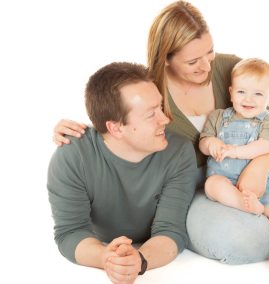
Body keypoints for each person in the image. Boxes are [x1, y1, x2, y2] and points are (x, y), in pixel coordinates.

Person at [53, 1, 269, 266]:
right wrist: (77, 130)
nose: (206, 65)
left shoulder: (230, 69)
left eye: (209, 52)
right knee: (245, 240)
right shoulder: (152, 86)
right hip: (193, 187)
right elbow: (123, 122)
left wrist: (261, 166)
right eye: (193, 61)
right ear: (166, 58)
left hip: (252, 169)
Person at [47, 62, 197, 284]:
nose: (165, 119)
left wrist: (141, 261)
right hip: (100, 241)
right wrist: (104, 257)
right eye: (150, 115)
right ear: (116, 128)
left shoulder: (179, 152)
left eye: (160, 107)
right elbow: (70, 232)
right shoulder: (72, 156)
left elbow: (171, 230)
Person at [199, 58, 269, 276]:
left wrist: (234, 152)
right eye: (241, 92)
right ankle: (245, 204)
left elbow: (265, 145)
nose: (248, 99)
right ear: (230, 92)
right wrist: (211, 145)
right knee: (212, 185)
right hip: (225, 179)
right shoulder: (218, 117)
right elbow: (203, 141)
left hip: (262, 181)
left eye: (258, 94)